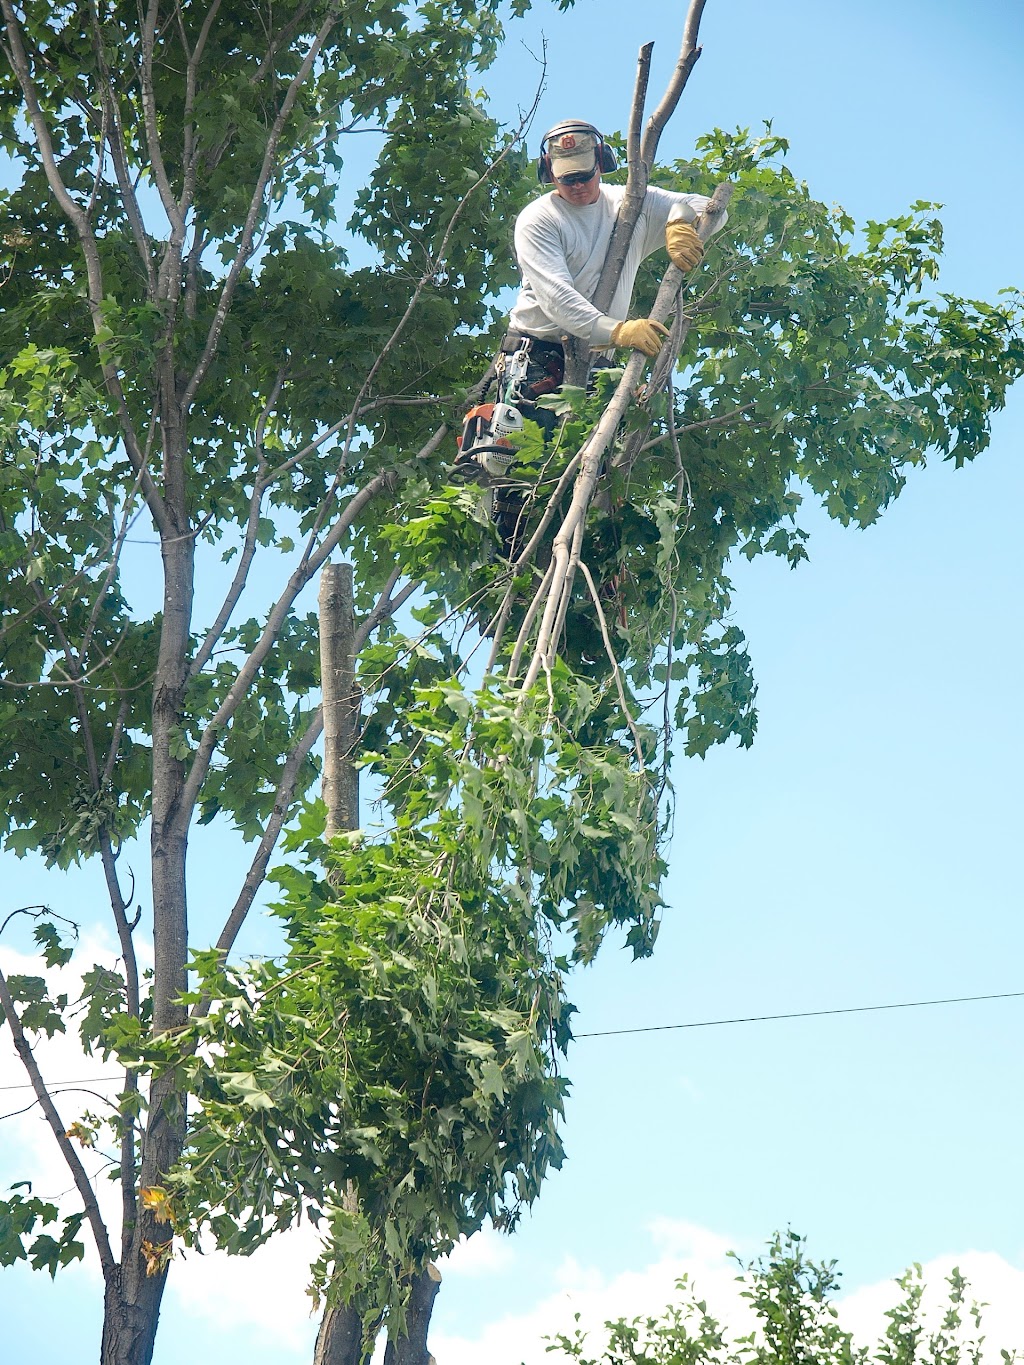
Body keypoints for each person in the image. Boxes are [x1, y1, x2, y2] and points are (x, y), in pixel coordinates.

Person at [504, 118, 718, 403]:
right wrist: (618, 330)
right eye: (568, 178)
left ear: (602, 163)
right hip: (538, 361)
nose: (578, 185)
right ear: (549, 173)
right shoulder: (539, 220)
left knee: (594, 447)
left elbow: (713, 209)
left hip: (599, 364)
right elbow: (558, 298)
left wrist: (680, 220)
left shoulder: (631, 204)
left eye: (584, 174)